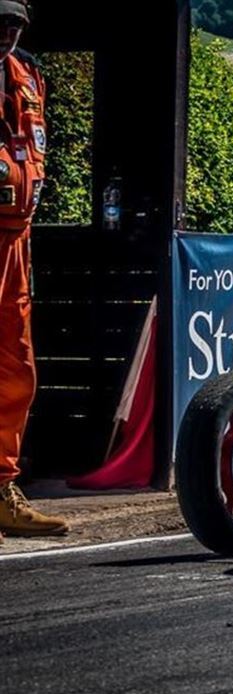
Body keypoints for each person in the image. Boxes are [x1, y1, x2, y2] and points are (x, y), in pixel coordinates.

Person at [0, 0, 68, 542]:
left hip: (15, 242)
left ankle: (2, 490)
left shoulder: (29, 72)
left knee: (17, 368)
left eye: (14, 22)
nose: (6, 31)